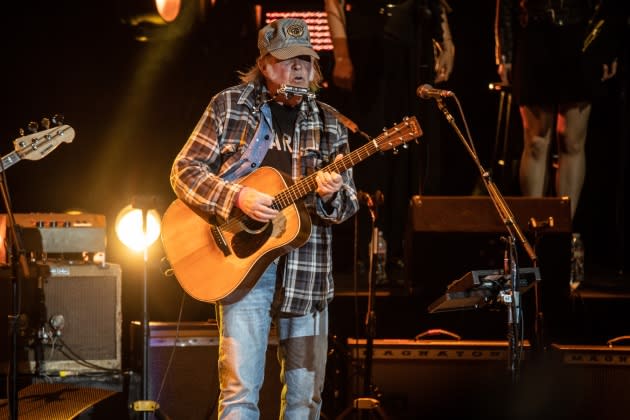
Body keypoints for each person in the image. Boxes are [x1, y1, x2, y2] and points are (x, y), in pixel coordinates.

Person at [170, 18, 359, 419]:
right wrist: (236, 196)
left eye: (305, 60)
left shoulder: (329, 124)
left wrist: (330, 194)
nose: (298, 69)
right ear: (264, 64)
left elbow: (347, 206)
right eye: (287, 61)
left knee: (305, 401)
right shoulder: (229, 106)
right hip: (239, 268)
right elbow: (184, 171)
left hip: (306, 274)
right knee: (239, 394)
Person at [324, 0, 455, 283]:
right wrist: (342, 53)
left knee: (413, 145)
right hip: (370, 42)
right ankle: (372, 244)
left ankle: (406, 245)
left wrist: (445, 38)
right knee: (373, 143)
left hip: (415, 41)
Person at [494, 0, 622, 220]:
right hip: (535, 31)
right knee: (536, 141)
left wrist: (608, 44)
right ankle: (532, 232)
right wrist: (504, 49)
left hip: (582, 33)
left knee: (571, 140)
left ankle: (563, 229)